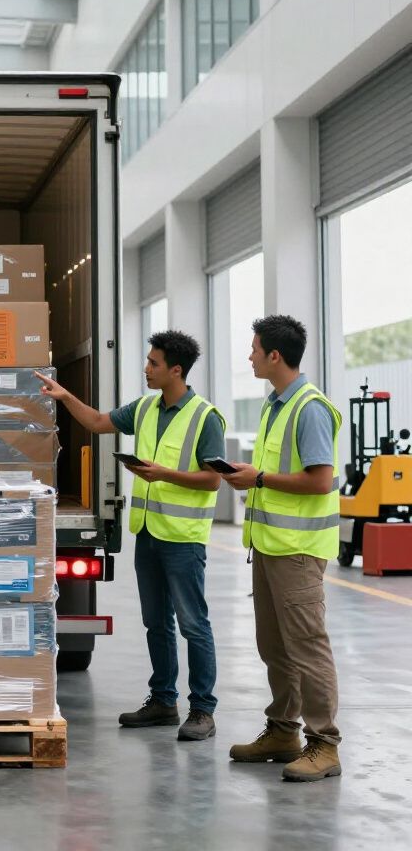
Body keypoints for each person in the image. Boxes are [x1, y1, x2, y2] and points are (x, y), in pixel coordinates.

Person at [36, 330, 226, 741]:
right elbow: (99, 422)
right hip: (149, 533)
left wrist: (163, 473)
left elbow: (213, 480)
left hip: (183, 538)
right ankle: (162, 701)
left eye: (154, 363)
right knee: (156, 622)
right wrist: (64, 396)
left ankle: (202, 711)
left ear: (177, 369)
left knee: (194, 624)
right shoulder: (145, 408)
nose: (147, 369)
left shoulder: (205, 416)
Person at [223, 315, 343, 782]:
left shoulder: (309, 407)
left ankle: (325, 744)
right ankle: (283, 732)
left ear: (275, 355)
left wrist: (261, 478)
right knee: (275, 647)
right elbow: (279, 472)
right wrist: (251, 473)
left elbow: (319, 480)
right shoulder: (276, 405)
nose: (250, 356)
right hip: (271, 546)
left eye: (254, 349)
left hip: (297, 549)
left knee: (307, 647)